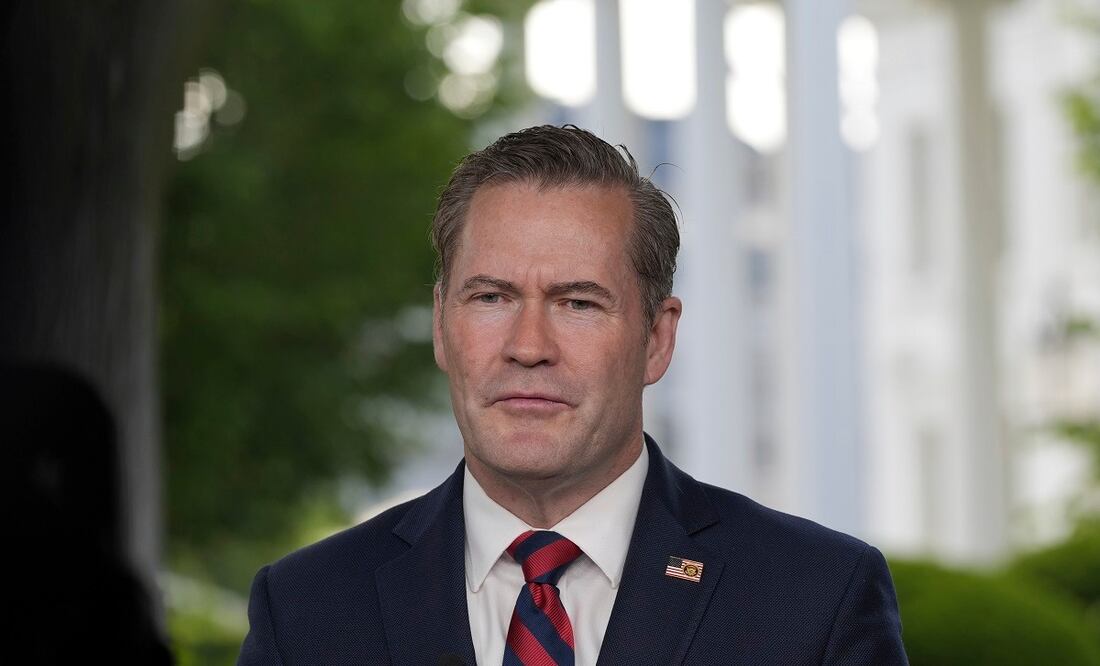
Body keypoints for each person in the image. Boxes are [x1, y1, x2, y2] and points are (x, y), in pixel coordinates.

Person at [237, 125, 907, 665]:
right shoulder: (306, 612)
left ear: (656, 340)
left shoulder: (815, 602)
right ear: (443, 324)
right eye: (492, 297)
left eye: (578, 302)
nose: (529, 345)